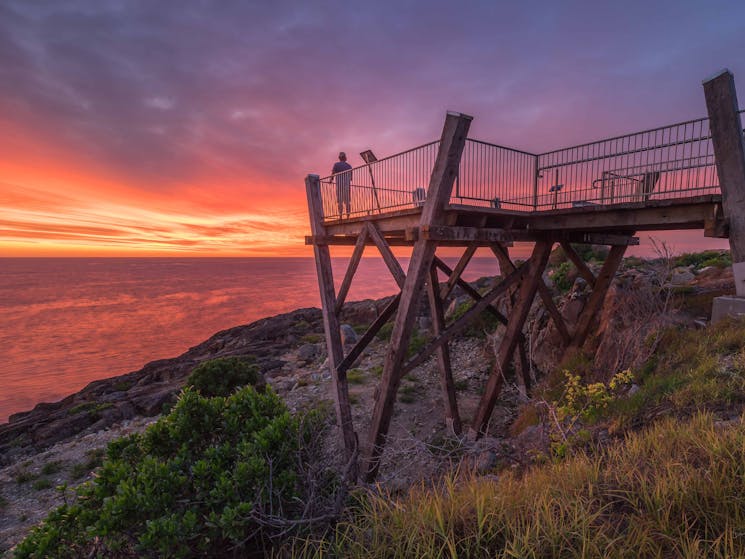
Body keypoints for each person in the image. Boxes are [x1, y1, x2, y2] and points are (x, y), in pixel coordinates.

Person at [331, 152, 352, 217]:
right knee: (347, 202)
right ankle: (348, 216)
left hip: (339, 186)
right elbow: (351, 178)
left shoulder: (336, 165)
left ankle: (340, 216)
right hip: (347, 186)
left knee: (340, 202)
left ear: (339, 158)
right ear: (345, 158)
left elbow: (333, 174)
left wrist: (331, 180)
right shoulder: (349, 166)